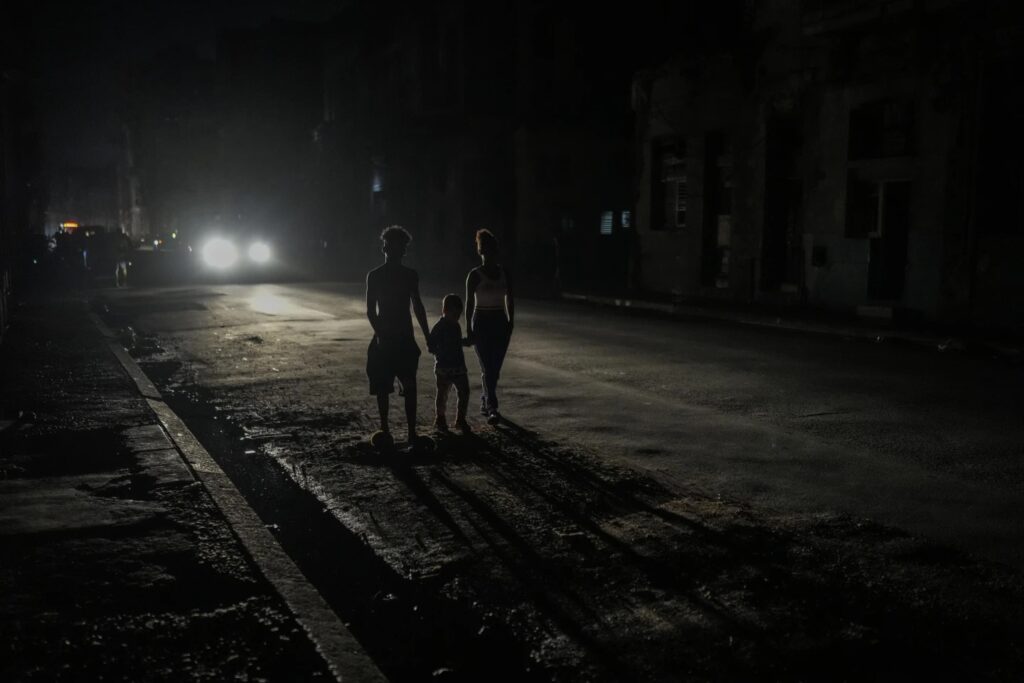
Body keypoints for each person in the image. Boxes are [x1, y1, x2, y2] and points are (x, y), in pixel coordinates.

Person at [365, 225, 432, 445]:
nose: (395, 250)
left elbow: (417, 307)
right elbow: (417, 307)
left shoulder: (383, 275)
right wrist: (427, 336)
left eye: (397, 246)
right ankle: (402, 432)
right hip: (396, 337)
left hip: (396, 338)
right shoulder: (390, 276)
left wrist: (380, 334)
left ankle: (391, 431)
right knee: (404, 385)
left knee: (391, 387)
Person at [465, 228, 514, 424]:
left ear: (496, 251)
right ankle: (492, 406)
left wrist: (511, 321)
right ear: (480, 252)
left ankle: (486, 399)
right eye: (484, 250)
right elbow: (469, 303)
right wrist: (469, 329)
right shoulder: (474, 275)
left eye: (491, 249)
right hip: (482, 322)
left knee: (495, 366)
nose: (488, 254)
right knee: (487, 366)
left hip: (500, 321)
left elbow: (510, 299)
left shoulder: (505, 273)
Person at [428, 293, 473, 433]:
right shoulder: (439, 327)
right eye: (454, 314)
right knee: (442, 394)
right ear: (445, 311)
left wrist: (464, 342)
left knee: (464, 392)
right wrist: (442, 349)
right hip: (444, 367)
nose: (456, 317)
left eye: (458, 315)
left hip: (457, 366)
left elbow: (456, 342)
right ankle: (440, 418)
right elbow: (430, 346)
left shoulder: (455, 326)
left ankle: (460, 419)